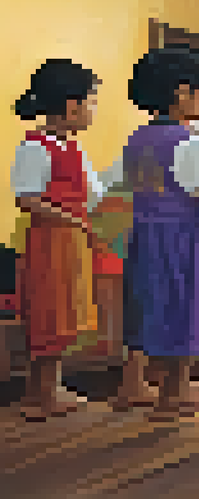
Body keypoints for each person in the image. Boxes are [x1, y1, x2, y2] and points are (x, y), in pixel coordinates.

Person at [122, 46, 199, 421]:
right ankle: (173, 392)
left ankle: (172, 388)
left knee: (157, 308)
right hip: (183, 237)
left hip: (147, 236)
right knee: (185, 308)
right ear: (183, 93)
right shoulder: (190, 142)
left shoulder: (136, 138)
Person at [12, 59, 107, 420]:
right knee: (47, 315)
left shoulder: (75, 149)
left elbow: (95, 194)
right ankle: (42, 394)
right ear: (72, 105)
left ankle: (50, 388)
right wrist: (74, 220)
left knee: (65, 314)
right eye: (92, 102)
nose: (93, 111)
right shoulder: (35, 146)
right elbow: (27, 198)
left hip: (71, 243)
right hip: (50, 243)